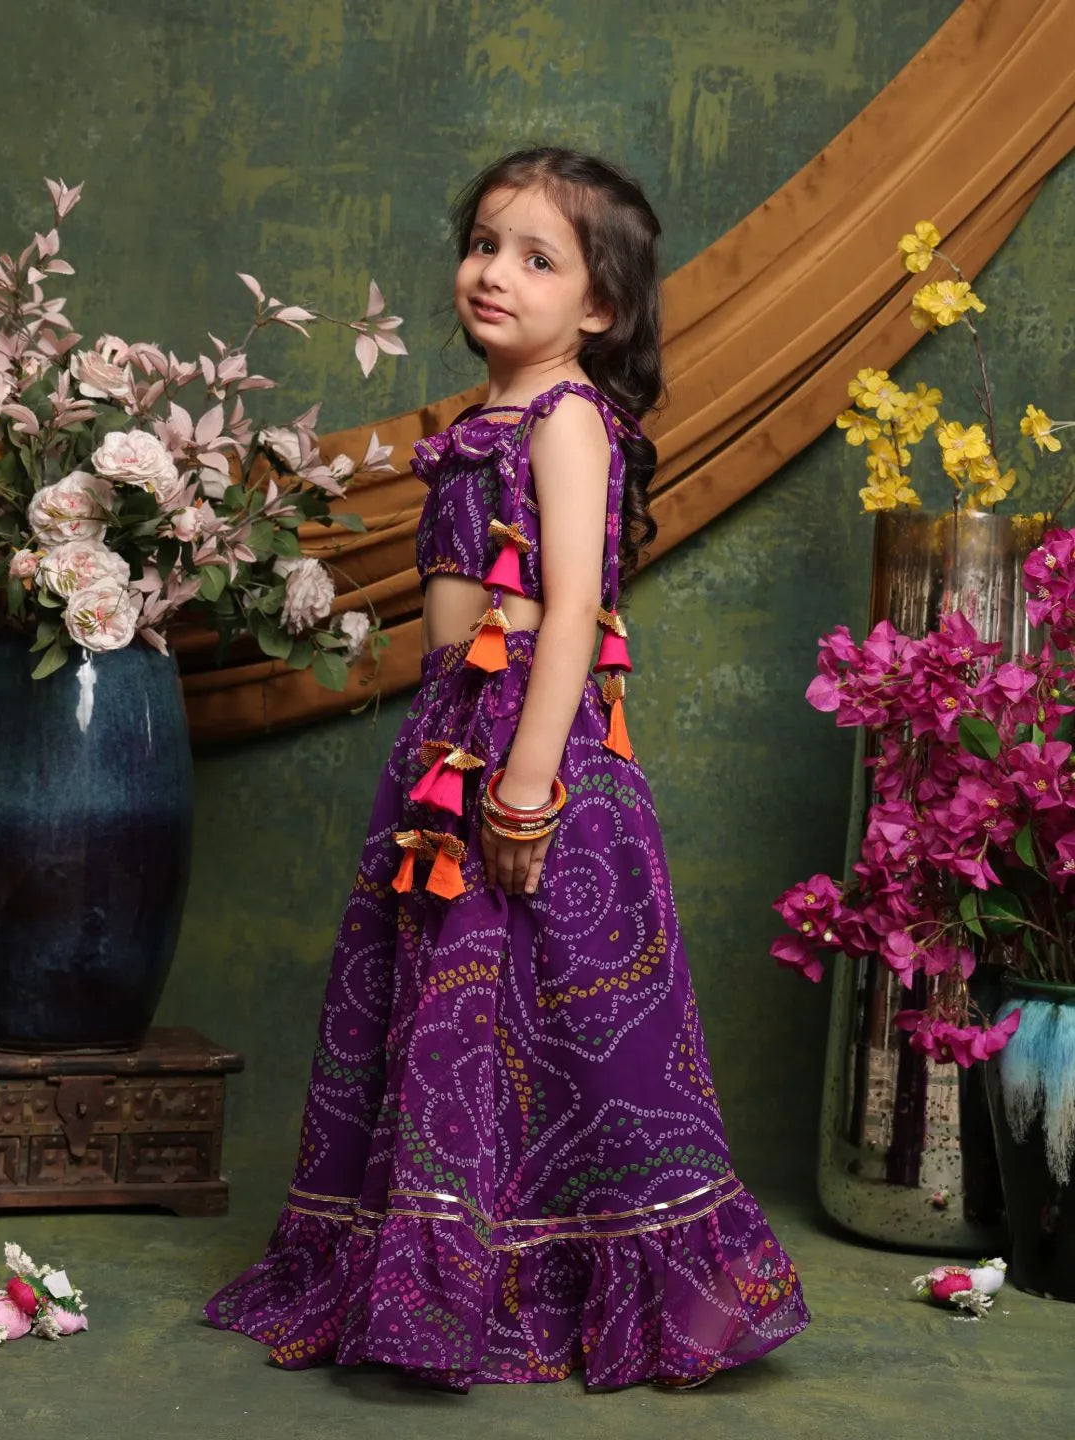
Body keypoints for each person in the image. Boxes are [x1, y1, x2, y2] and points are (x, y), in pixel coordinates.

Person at [205, 146, 809, 1391]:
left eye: (537, 257)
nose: (494, 272)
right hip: (444, 746)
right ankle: (436, 1273)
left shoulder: (570, 415)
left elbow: (576, 608)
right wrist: (453, 758)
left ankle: (613, 1280)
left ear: (600, 306)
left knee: (572, 1026)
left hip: (537, 750)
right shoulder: (477, 417)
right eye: (484, 243)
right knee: (458, 1016)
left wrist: (528, 782)